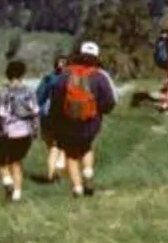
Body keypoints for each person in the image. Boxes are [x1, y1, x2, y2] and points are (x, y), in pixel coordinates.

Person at [43, 36, 117, 199]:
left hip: (67, 123)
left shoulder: (64, 75)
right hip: (90, 124)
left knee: (71, 154)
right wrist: (99, 111)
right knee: (86, 147)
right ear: (96, 58)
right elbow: (109, 103)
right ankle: (88, 173)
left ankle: (77, 188)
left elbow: (55, 102)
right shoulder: (99, 77)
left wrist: (53, 123)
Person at [0, 54, 39, 203]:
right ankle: (17, 195)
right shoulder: (30, 92)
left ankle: (7, 182)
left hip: (6, 133)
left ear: (7, 74)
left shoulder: (1, 92)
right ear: (23, 74)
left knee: (3, 162)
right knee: (17, 162)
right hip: (24, 133)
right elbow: (36, 112)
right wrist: (35, 131)